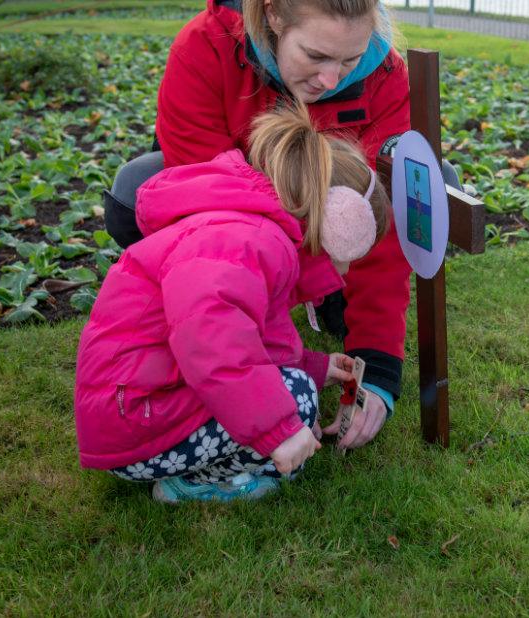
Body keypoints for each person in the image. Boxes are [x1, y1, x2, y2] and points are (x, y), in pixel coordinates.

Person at [104, 0, 435, 451]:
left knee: (429, 188)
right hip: (232, 220)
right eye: (315, 56)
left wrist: (376, 366)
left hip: (306, 233)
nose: (331, 80)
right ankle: (272, 295)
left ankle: (326, 292)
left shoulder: (386, 76)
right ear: (274, 15)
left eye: (350, 60)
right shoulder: (203, 48)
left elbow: (375, 219)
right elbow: (211, 219)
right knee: (133, 191)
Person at [76, 105, 392, 503]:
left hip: (140, 407)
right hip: (137, 422)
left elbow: (259, 340)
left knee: (296, 393)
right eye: (353, 253)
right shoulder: (252, 240)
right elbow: (213, 343)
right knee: (296, 400)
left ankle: (221, 455)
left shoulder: (256, 232)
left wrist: (316, 367)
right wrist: (279, 431)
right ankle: (196, 482)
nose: (347, 271)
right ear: (339, 223)